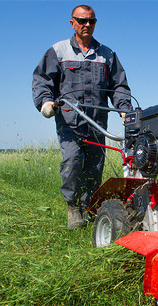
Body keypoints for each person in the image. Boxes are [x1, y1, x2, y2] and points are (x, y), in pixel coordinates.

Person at [32, 5, 132, 229]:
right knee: (72, 162)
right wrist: (45, 103)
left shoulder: (107, 55)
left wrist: (124, 108)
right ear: (72, 23)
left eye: (91, 21)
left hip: (97, 122)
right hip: (69, 122)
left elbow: (119, 86)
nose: (87, 25)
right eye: (82, 20)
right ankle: (73, 205)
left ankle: (91, 208)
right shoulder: (58, 51)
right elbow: (42, 80)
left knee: (95, 168)